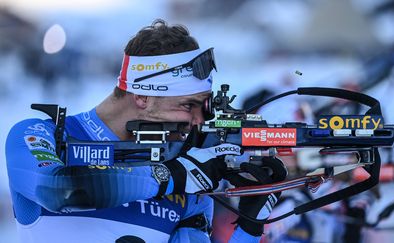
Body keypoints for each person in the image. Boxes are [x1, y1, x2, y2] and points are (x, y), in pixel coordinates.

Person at [6, 19, 286, 243]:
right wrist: (173, 175)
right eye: (189, 105)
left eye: (205, 108)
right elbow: (58, 190)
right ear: (142, 96)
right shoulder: (43, 134)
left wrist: (250, 226)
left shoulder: (186, 177)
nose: (198, 121)